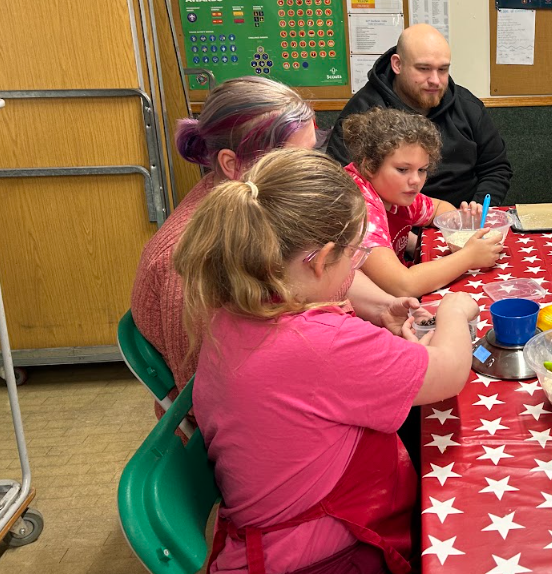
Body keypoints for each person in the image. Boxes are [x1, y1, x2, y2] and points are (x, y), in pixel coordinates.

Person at [174, 148, 476, 574]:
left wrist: (379, 312)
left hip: (268, 540)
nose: (354, 267)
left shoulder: (233, 309)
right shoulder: (322, 343)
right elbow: (448, 372)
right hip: (326, 557)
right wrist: (454, 312)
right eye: (354, 256)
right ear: (319, 260)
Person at [131, 76, 419, 400]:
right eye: (291, 159)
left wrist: (383, 307)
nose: (310, 170)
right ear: (231, 163)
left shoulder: (268, 208)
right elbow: (211, 396)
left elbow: (323, 269)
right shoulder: (189, 260)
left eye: (311, 153)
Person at [325, 24, 512, 205]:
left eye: (443, 69)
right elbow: (340, 183)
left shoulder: (468, 106)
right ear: (397, 64)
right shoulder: (362, 112)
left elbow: (496, 168)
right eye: (423, 69)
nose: (435, 80)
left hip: (463, 217)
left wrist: (476, 209)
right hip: (390, 220)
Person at [342, 107, 504, 298]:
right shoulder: (358, 207)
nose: (415, 181)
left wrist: (461, 224)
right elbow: (403, 285)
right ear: (369, 165)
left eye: (422, 170)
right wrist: (469, 256)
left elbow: (439, 209)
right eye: (403, 170)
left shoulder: (393, 190)